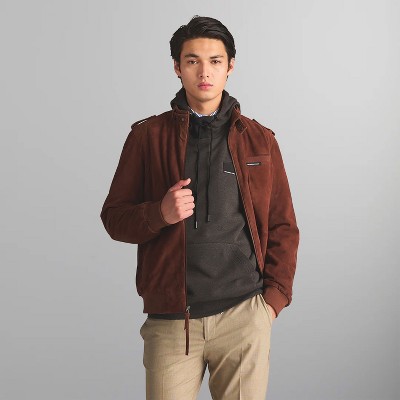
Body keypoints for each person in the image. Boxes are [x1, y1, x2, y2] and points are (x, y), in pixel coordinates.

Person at [100, 15, 299, 400]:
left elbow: (283, 225)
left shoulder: (260, 140)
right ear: (177, 67)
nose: (204, 72)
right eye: (192, 61)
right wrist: (160, 213)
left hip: (244, 314)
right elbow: (114, 218)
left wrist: (271, 303)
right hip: (173, 321)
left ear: (230, 66)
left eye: (215, 61)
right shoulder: (147, 137)